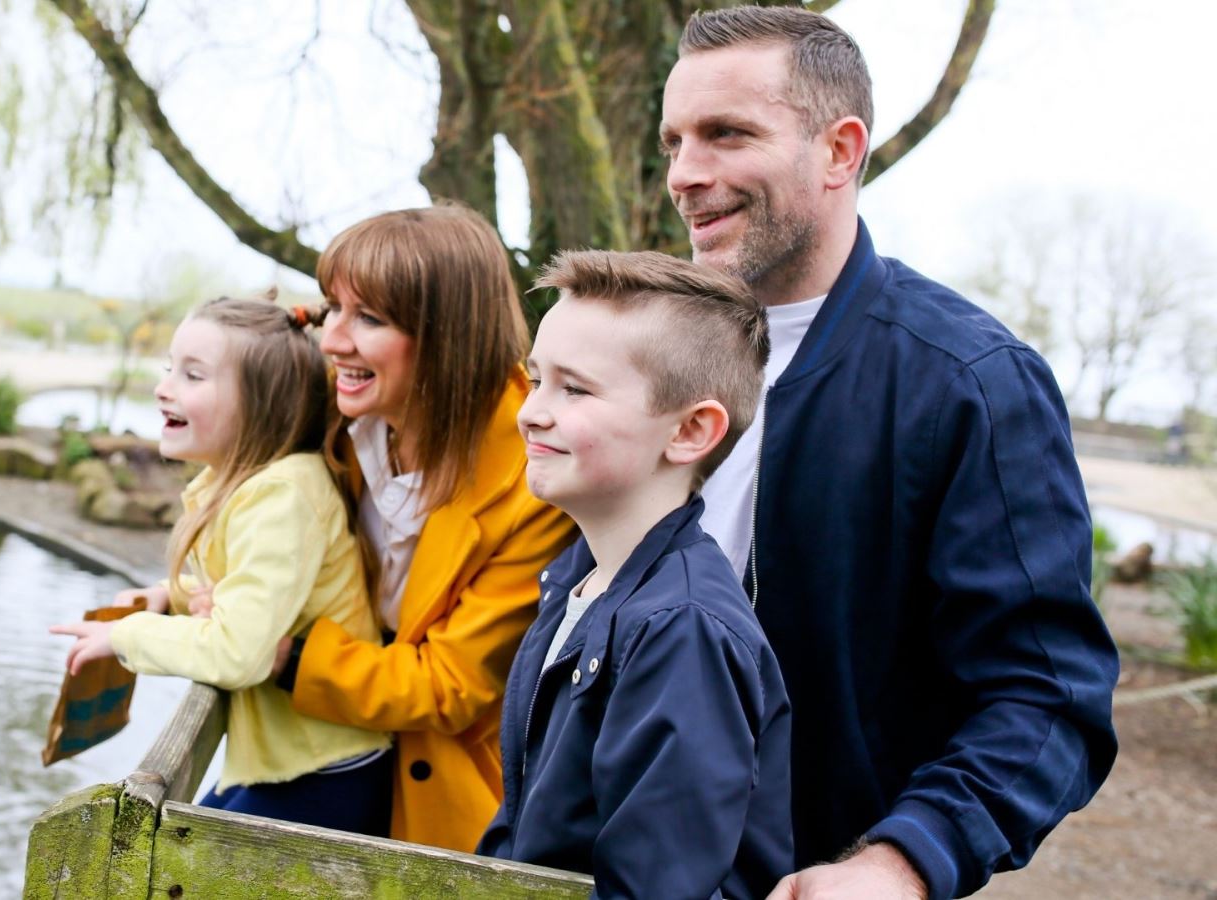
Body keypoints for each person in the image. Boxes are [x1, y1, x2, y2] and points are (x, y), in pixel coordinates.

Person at [658, 8, 1119, 899]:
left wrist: (904, 860)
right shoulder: (639, 350)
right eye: (675, 139)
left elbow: (1046, 697)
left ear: (840, 151)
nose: (685, 173)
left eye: (726, 134)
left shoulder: (971, 383)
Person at [477, 250, 793, 899]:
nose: (531, 411)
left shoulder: (682, 631)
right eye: (537, 379)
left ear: (689, 431)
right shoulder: (575, 582)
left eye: (575, 388)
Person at [271, 205, 577, 852]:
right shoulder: (346, 417)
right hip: (341, 744)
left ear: (449, 337)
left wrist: (288, 660)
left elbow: (449, 686)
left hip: (445, 796)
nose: (332, 340)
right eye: (334, 309)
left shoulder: (532, 481)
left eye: (370, 319)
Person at [48, 297, 392, 836]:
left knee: (152, 857)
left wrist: (128, 636)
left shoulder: (280, 495)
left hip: (322, 775)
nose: (165, 388)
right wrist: (173, 595)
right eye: (169, 368)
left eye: (193, 375)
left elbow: (238, 653)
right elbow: (250, 591)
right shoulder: (248, 486)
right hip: (282, 767)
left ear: (262, 404)